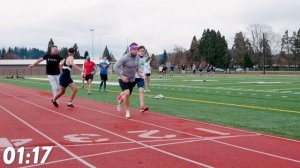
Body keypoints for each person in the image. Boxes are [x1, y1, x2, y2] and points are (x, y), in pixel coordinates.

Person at [113, 42, 139, 118]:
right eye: (134, 49)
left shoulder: (137, 57)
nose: (135, 51)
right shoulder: (125, 57)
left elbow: (136, 67)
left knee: (127, 95)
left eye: (136, 49)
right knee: (127, 93)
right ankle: (127, 111)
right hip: (123, 78)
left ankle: (120, 100)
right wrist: (121, 76)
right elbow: (115, 67)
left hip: (132, 79)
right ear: (130, 50)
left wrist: (139, 73)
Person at [134, 46, 149, 112]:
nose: (142, 52)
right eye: (141, 51)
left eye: (143, 51)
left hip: (140, 78)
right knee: (127, 93)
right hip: (133, 77)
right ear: (138, 51)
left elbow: (143, 67)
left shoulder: (144, 59)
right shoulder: (134, 58)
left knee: (142, 91)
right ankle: (121, 97)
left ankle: (142, 106)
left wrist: (144, 74)